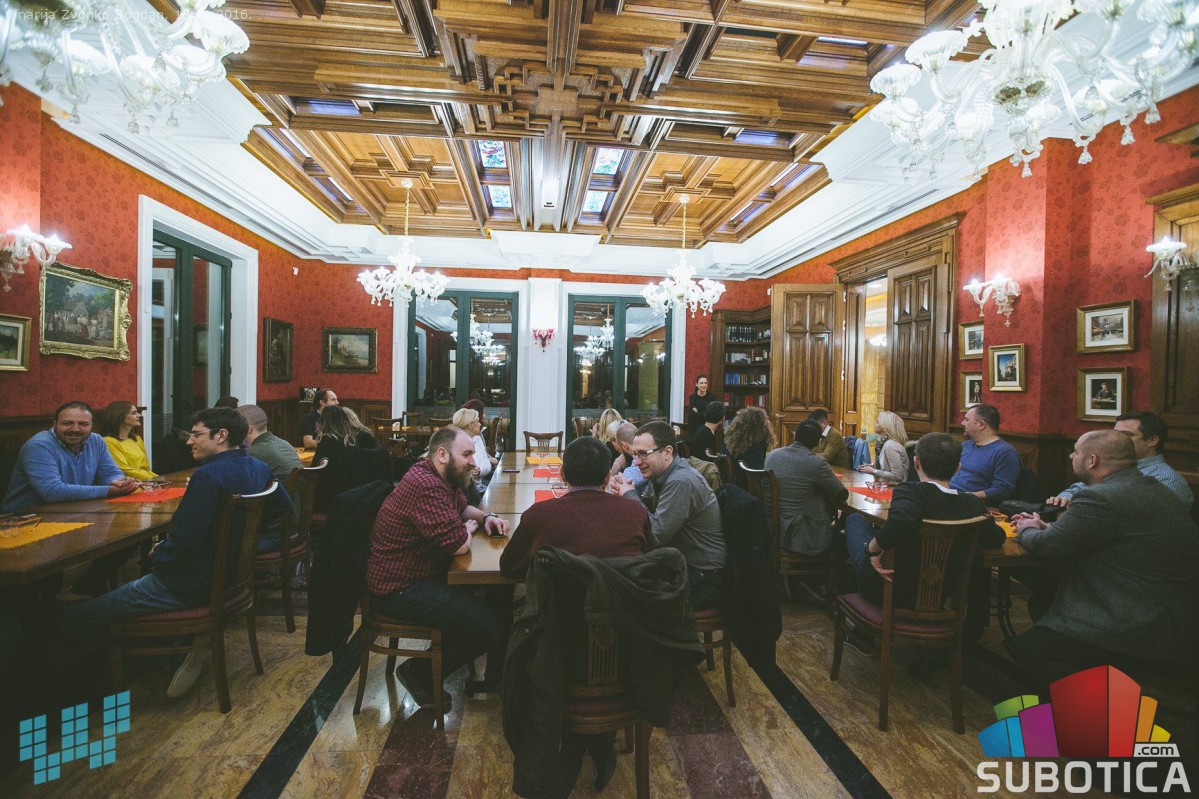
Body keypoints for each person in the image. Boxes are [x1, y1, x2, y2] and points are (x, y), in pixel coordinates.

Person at [62, 407, 292, 697]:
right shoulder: (258, 467)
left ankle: (99, 680)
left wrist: (157, 554)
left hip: (186, 586)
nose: (189, 441)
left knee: (75, 617)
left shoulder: (207, 476)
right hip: (234, 578)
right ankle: (157, 651)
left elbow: (184, 544)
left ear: (221, 436)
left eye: (196, 435)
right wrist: (239, 538)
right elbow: (283, 507)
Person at [1008, 431, 1199, 691]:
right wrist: (1048, 527)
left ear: (1092, 461)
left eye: (1076, 451)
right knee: (1045, 600)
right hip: (1170, 605)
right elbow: (1091, 533)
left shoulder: (1101, 496)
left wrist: (1027, 529)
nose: (1071, 456)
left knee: (1030, 648)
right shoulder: (1150, 487)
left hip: (1145, 618)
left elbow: (1047, 546)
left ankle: (1101, 705)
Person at [365, 427, 511, 711]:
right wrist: (466, 530)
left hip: (421, 575)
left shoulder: (441, 477)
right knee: (488, 627)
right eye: (467, 454)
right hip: (399, 587)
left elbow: (464, 509)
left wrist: (485, 518)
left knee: (498, 592)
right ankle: (418, 672)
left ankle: (496, 675)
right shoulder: (426, 485)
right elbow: (458, 545)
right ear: (442, 454)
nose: (473, 461)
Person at [845, 433, 1004, 638]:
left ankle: (854, 613)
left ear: (916, 462)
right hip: (944, 593)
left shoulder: (910, 492)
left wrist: (872, 550)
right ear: (958, 468)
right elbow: (996, 537)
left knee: (855, 521)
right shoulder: (973, 505)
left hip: (889, 587)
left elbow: (901, 521)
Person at [610, 421, 725, 610]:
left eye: (643, 454)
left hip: (702, 577)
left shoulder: (680, 481)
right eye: (635, 454)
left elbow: (655, 535)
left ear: (667, 452)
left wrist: (630, 495)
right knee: (617, 577)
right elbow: (648, 513)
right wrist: (625, 495)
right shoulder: (659, 475)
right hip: (679, 566)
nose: (636, 462)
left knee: (624, 597)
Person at [501, 436, 649, 578]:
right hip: (620, 594)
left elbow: (509, 566)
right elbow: (651, 560)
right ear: (607, 478)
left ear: (562, 474)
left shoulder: (538, 515)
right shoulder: (635, 512)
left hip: (560, 596)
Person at [2, 401, 139, 512]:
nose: (75, 429)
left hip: (73, 511)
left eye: (83, 424)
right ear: (55, 424)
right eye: (67, 423)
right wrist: (109, 490)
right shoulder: (39, 446)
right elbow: (52, 492)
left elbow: (110, 473)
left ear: (92, 426)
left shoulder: (96, 440)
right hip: (23, 519)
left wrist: (120, 482)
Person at [1048, 411, 1192, 511]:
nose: (1117, 440)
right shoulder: (1112, 465)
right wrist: (1064, 499)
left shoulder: (1166, 480)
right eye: (1115, 434)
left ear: (1152, 441)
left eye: (1126, 435)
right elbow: (1080, 487)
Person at [764, 419, 848, 555]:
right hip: (804, 536)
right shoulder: (816, 462)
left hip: (772, 529)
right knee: (847, 541)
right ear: (818, 442)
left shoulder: (772, 455)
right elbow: (841, 494)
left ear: (795, 435)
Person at [239, 404, 304, 549]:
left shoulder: (252, 454)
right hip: (295, 526)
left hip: (272, 534)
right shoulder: (284, 443)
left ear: (248, 429)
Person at [312, 405, 382, 513]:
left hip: (330, 499)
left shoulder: (327, 441)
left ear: (323, 423)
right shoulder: (351, 442)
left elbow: (313, 470)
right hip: (355, 494)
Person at [949, 404, 1021, 504]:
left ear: (981, 424)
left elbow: (1001, 491)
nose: (962, 423)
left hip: (972, 503)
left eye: (966, 420)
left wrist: (964, 496)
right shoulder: (965, 445)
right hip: (949, 496)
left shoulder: (1005, 453)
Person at [99, 401, 157, 481]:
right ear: (120, 417)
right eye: (134, 413)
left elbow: (146, 468)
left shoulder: (136, 438)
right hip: (132, 483)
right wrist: (154, 480)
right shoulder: (109, 441)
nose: (139, 415)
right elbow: (126, 471)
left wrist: (160, 479)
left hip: (148, 481)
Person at [858, 410, 909, 483]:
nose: (874, 423)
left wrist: (873, 471)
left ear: (885, 428)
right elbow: (886, 467)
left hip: (894, 487)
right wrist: (870, 467)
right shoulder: (883, 443)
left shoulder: (891, 445)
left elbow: (897, 476)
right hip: (884, 484)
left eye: (878, 422)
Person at [723, 406, 775, 473]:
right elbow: (758, 473)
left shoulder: (729, 441)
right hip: (745, 478)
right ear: (762, 427)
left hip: (729, 478)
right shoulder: (755, 448)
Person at [452, 407, 497, 479]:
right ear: (470, 425)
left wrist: (480, 470)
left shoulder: (477, 438)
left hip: (479, 481)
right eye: (478, 421)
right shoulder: (456, 443)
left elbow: (486, 461)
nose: (480, 424)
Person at [608, 421, 647, 490]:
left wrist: (614, 471)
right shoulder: (649, 452)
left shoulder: (634, 469)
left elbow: (610, 491)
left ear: (624, 445)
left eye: (615, 440)